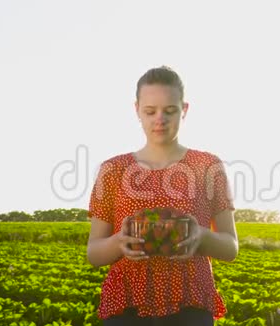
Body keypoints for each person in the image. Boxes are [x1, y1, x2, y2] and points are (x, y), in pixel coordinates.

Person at [86, 66, 239, 326]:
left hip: (190, 303)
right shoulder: (112, 169)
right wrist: (119, 242)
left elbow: (230, 247)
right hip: (126, 304)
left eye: (170, 111)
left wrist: (200, 236)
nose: (160, 119)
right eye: (150, 111)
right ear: (137, 110)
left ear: (185, 109)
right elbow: (94, 253)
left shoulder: (208, 166)